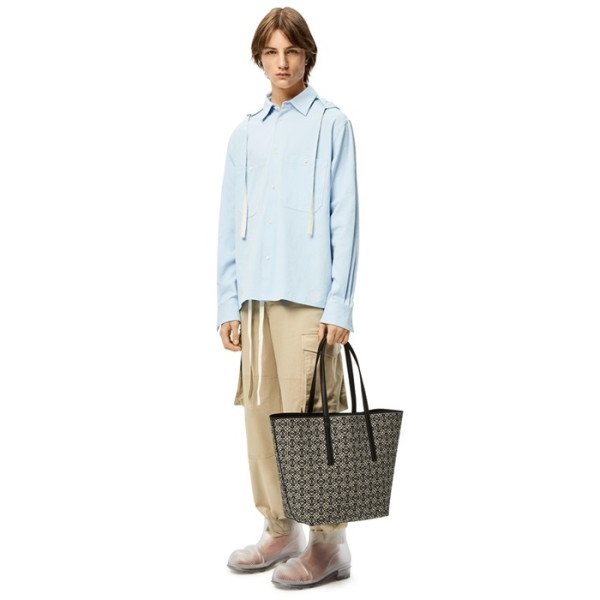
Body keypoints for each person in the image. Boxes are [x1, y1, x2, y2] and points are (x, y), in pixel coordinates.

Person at [216, 6, 359, 589]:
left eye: (291, 51)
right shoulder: (246, 133)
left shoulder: (331, 124)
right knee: (261, 417)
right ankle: (280, 529)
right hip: (255, 300)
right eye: (271, 52)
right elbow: (229, 222)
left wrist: (339, 305)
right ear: (259, 58)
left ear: (307, 56)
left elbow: (346, 218)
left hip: (310, 300)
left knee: (317, 419)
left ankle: (328, 543)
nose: (282, 63)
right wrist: (227, 303)